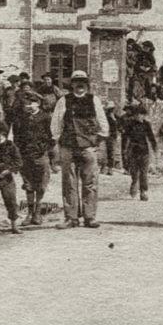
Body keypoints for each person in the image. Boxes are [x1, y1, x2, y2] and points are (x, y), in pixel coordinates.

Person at [50, 70, 110, 229]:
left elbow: (103, 123)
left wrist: (98, 139)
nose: (80, 85)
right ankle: (71, 218)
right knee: (69, 183)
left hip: (88, 147)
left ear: (87, 84)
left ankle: (90, 217)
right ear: (72, 84)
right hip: (68, 147)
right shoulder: (64, 100)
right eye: (77, 82)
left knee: (90, 182)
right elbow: (56, 123)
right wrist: (57, 142)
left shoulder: (93, 100)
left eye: (83, 82)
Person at [11, 90, 54, 225]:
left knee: (41, 185)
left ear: (39, 104)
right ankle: (29, 214)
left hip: (41, 155)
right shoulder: (21, 119)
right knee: (28, 185)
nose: (29, 106)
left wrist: (45, 149)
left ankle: (37, 213)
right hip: (26, 156)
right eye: (27, 104)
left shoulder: (46, 117)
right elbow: (16, 138)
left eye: (32, 103)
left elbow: (52, 137)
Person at [121, 98, 157, 200]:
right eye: (137, 114)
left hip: (144, 151)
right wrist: (124, 150)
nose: (139, 116)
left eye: (141, 114)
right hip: (133, 150)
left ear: (144, 115)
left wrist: (154, 148)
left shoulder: (146, 124)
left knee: (144, 172)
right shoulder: (129, 124)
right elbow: (125, 137)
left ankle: (143, 191)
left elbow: (151, 137)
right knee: (134, 171)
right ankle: (134, 184)